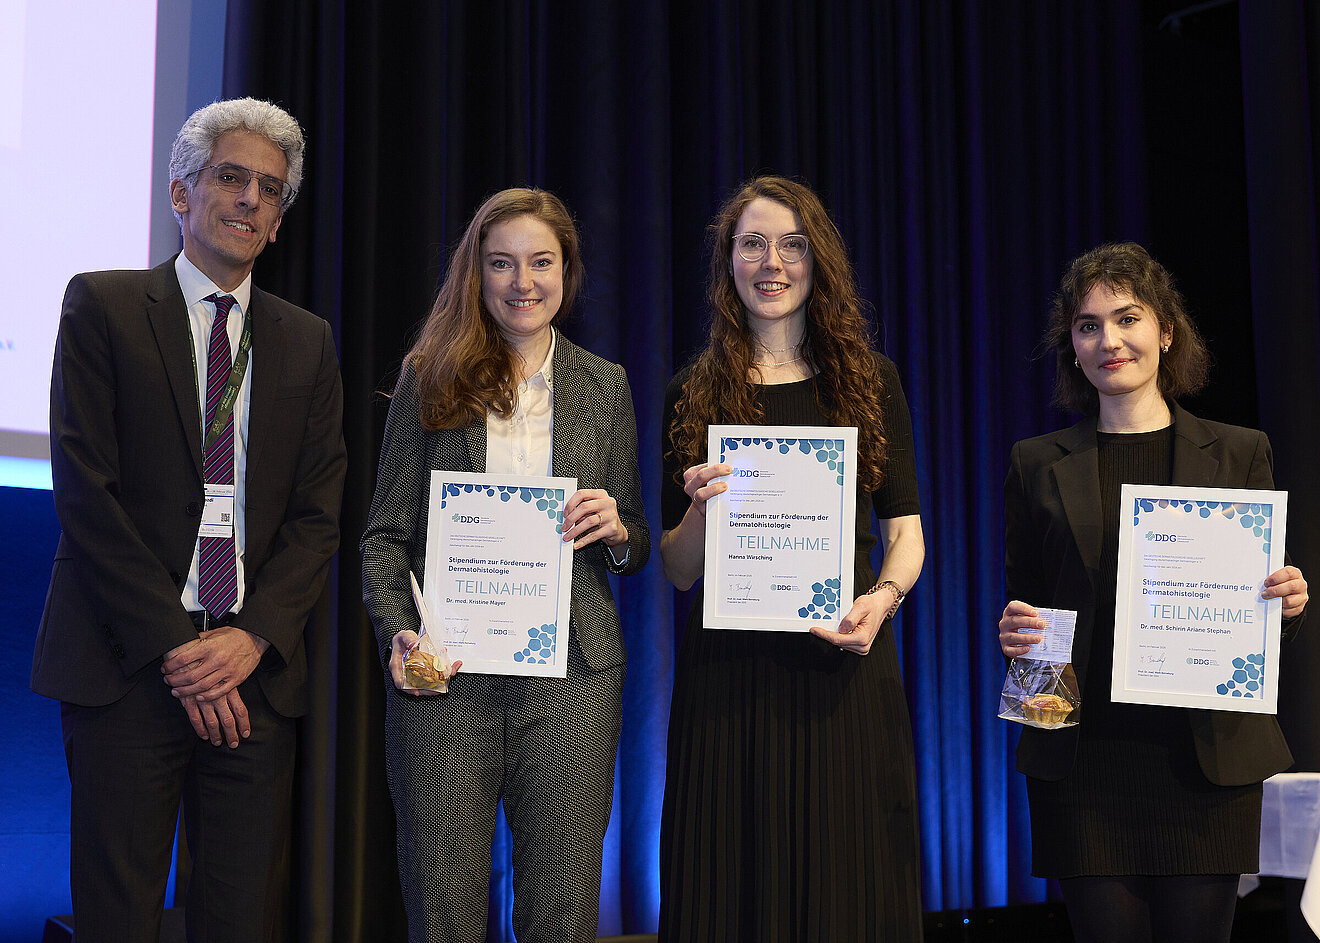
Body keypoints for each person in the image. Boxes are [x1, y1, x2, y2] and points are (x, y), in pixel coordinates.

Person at [30, 98, 347, 942]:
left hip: (251, 676)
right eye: (231, 177)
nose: (250, 199)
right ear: (181, 192)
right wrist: (179, 649)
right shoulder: (103, 305)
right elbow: (86, 494)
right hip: (128, 662)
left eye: (270, 190)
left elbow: (318, 513)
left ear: (278, 221)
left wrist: (251, 638)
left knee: (239, 919)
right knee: (118, 917)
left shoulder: (307, 340)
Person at [360, 187, 650, 943]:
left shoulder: (605, 385)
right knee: (443, 911)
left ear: (567, 271)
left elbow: (635, 540)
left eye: (541, 262)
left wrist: (618, 530)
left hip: (573, 677)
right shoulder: (430, 377)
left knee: (562, 912)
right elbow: (384, 536)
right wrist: (400, 633)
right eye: (502, 263)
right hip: (448, 674)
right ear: (476, 273)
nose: (523, 282)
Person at [998, 242, 1309, 943]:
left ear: (1166, 332)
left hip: (1204, 764)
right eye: (1088, 325)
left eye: (1127, 318)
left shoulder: (1239, 452)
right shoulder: (1036, 463)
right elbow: (1027, 603)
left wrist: (1286, 601)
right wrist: (1015, 636)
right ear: (1073, 347)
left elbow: (1262, 603)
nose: (1108, 340)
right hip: (1084, 767)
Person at [657, 175, 926, 941]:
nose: (771, 263)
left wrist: (882, 600)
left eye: (791, 245)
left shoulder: (869, 381)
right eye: (752, 244)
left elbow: (906, 534)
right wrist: (701, 508)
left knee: (845, 890)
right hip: (728, 683)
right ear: (728, 262)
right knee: (732, 891)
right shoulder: (692, 391)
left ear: (818, 261)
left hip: (842, 666)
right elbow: (677, 568)